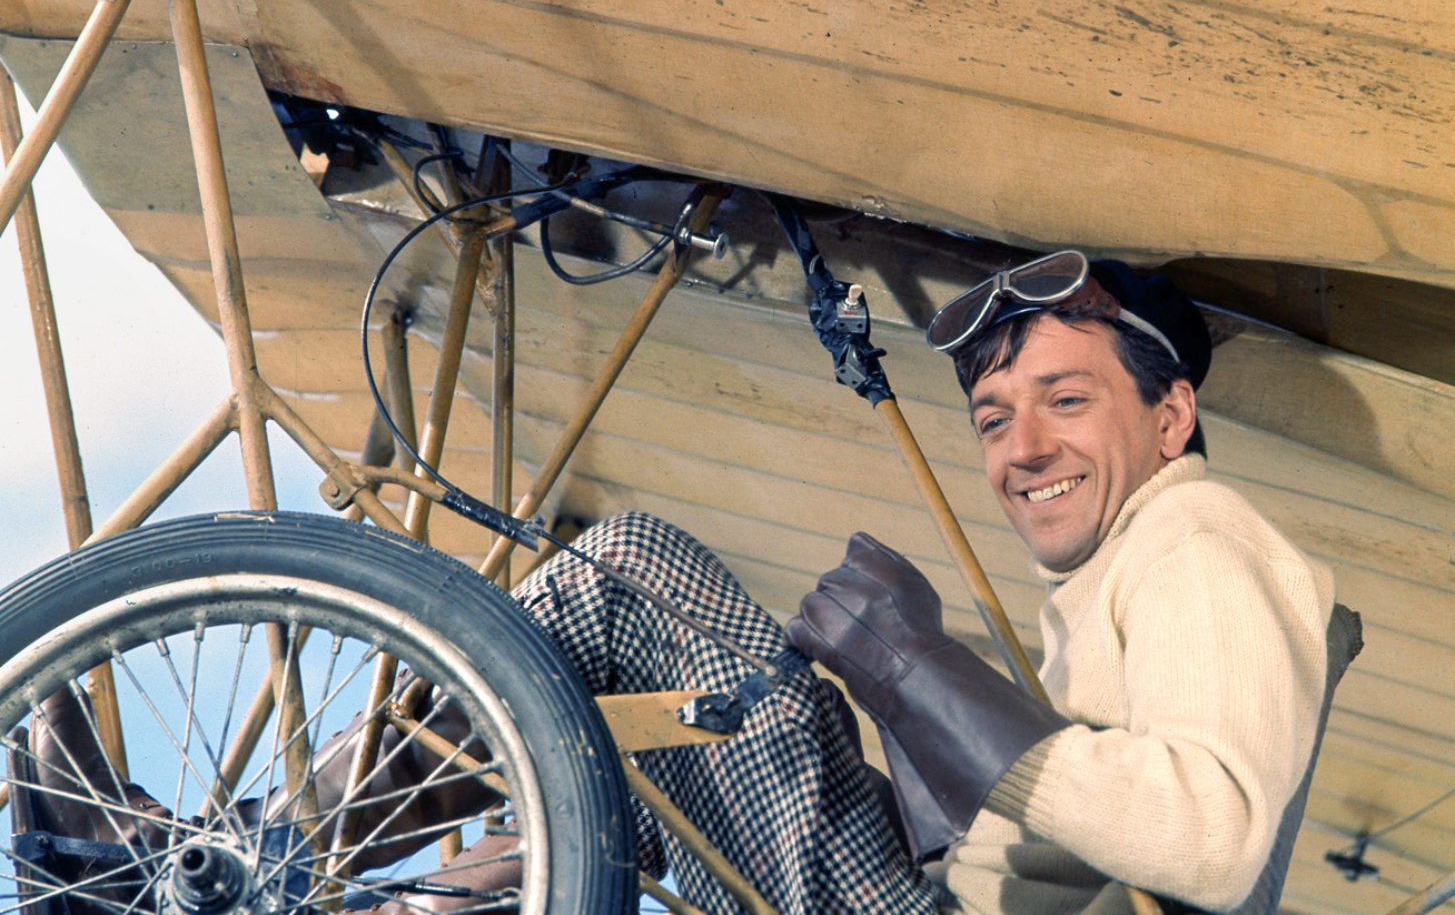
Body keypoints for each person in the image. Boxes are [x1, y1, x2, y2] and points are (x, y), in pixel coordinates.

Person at [27, 251, 1339, 915]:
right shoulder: (1127, 574)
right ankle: (314, 885)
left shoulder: (1202, 534)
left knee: (632, 579)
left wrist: (909, 665)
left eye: (1065, 401)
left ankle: (243, 856)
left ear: (1171, 420)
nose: (1020, 448)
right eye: (995, 417)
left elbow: (1210, 839)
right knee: (609, 783)